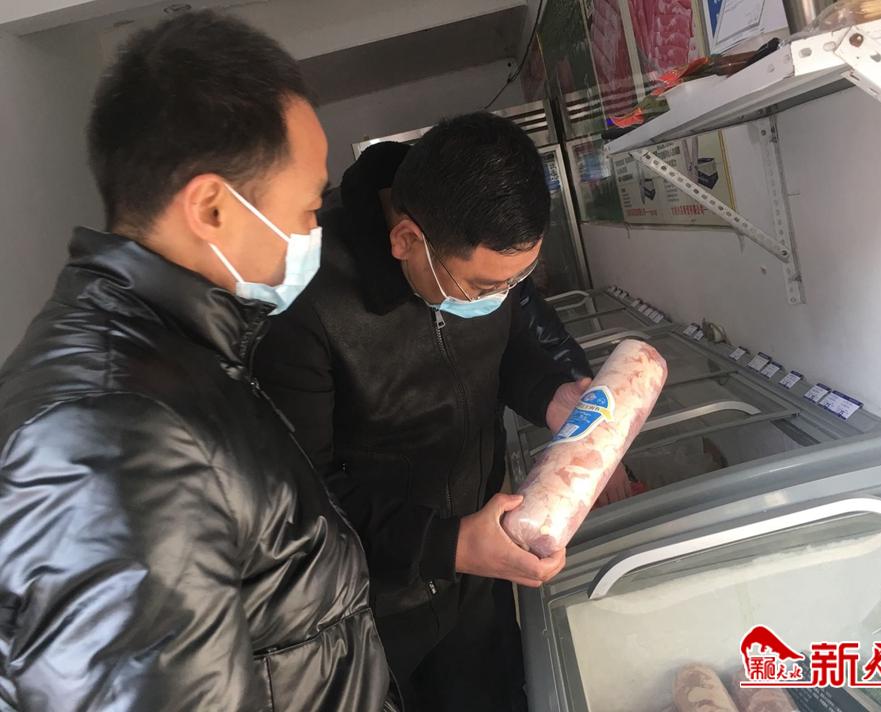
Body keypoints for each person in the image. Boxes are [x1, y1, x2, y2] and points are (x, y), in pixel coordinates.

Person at [0, 12, 396, 711]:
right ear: (212, 208)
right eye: (309, 207)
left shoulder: (182, 362)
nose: (315, 229)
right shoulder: (113, 439)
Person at [253, 114, 595, 711]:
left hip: (479, 574)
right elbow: (302, 496)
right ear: (407, 240)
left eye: (515, 282)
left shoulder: (480, 249)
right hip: (378, 605)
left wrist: (550, 394)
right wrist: (448, 544)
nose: (500, 297)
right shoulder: (304, 303)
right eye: (482, 287)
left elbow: (507, 346)